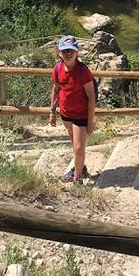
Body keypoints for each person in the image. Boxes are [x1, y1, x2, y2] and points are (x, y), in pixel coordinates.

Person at [50, 35, 97, 183]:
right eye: (65, 51)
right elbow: (56, 89)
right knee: (74, 144)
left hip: (81, 115)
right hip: (65, 113)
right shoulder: (58, 68)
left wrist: (91, 121)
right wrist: (52, 111)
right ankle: (80, 168)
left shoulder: (83, 71)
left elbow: (91, 97)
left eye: (71, 50)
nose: (68, 54)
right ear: (59, 53)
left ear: (77, 52)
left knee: (78, 147)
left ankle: (77, 177)